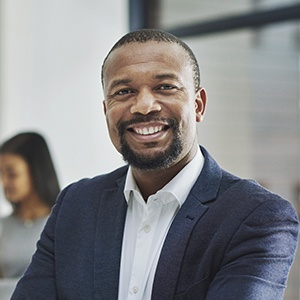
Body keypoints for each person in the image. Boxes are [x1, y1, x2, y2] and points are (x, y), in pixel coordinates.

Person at [11, 29, 298, 300]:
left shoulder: (258, 216)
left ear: (198, 105)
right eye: (124, 92)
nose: (144, 105)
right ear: (106, 111)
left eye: (165, 87)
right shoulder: (76, 204)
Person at [0, 132, 60, 281]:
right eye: (1, 174)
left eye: (12, 173)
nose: (4, 182)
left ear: (35, 171)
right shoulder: (3, 226)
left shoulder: (61, 223)